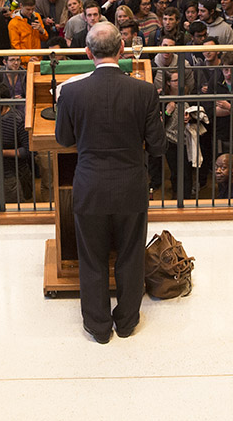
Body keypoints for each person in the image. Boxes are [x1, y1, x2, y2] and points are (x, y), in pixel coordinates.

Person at [55, 22, 165, 344]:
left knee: (92, 258)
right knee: (130, 255)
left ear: (88, 52)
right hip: (130, 186)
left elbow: (63, 139)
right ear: (122, 49)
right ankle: (127, 322)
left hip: (90, 186)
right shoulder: (144, 91)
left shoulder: (71, 92)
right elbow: (158, 145)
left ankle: (99, 327)